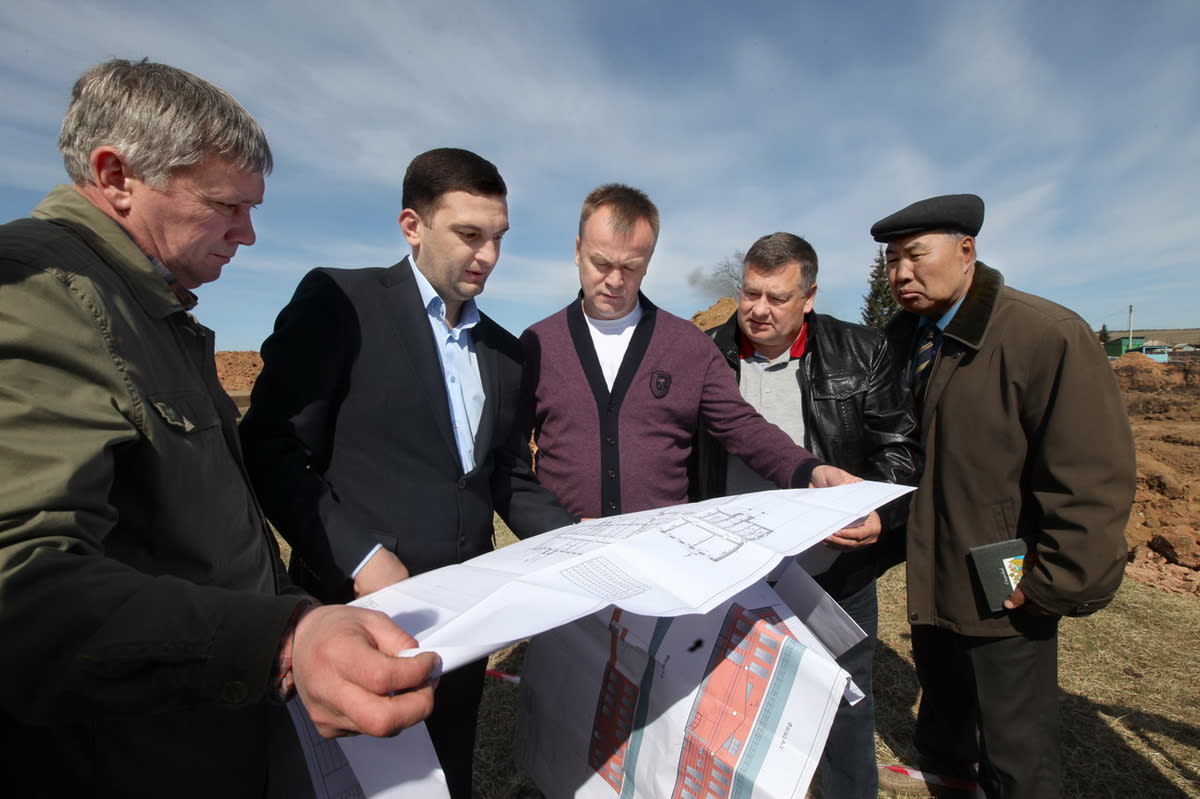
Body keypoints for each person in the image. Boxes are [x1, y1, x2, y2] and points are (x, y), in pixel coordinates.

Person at [0, 59, 438, 798]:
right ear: (116, 177)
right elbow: (22, 583)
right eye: (225, 205)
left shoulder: (150, 307)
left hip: (203, 731)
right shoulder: (40, 294)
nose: (249, 234)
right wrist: (282, 641)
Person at [239, 147, 575, 799]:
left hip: (463, 623)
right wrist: (363, 558)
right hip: (353, 615)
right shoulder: (341, 304)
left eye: (499, 238)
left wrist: (577, 542)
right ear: (412, 225)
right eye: (469, 234)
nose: (488, 256)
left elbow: (507, 478)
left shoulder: (506, 353)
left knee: (444, 774)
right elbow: (271, 447)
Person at [873, 194, 1135, 798]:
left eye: (916, 255)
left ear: (966, 251)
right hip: (935, 561)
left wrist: (1056, 580)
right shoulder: (903, 339)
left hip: (1009, 574)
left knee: (1016, 740)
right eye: (891, 261)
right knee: (944, 689)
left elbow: (1091, 474)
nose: (901, 274)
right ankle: (948, 770)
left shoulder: (1043, 335)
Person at [691, 232, 921, 798]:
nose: (758, 309)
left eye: (777, 297)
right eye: (750, 293)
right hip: (733, 573)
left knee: (843, 699)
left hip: (831, 575)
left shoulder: (861, 351)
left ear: (809, 297)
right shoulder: (705, 354)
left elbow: (899, 448)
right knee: (729, 702)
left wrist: (879, 513)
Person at [520, 184, 859, 523]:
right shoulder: (538, 343)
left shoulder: (688, 346)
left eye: (631, 267)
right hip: (560, 547)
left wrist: (808, 469)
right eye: (601, 263)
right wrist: (553, 524)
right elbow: (510, 457)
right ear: (578, 250)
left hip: (660, 548)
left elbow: (741, 426)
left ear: (648, 261)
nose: (614, 281)